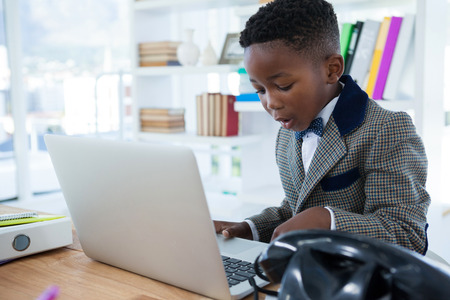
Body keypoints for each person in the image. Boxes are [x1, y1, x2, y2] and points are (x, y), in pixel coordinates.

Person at [214, 0, 430, 254]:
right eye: (259, 90)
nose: (271, 102)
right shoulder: (287, 133)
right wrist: (250, 229)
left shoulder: (388, 130)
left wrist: (328, 220)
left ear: (332, 69)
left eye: (283, 86)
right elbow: (295, 209)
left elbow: (406, 234)